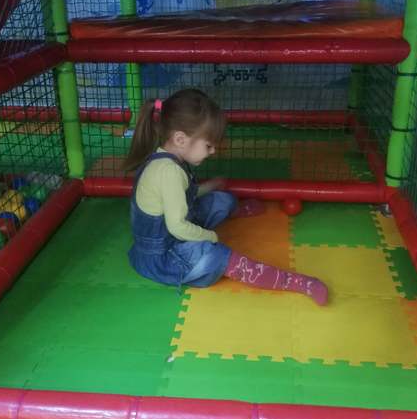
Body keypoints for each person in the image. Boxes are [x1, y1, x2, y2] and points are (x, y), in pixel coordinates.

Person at [121, 88, 328, 305]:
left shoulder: (167, 159)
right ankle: (294, 282)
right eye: (208, 145)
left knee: (222, 199)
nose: (212, 151)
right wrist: (209, 236)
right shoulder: (169, 172)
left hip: (174, 231)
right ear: (180, 139)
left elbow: (182, 197)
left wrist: (209, 187)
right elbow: (177, 227)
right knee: (218, 255)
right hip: (163, 257)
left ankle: (235, 211)